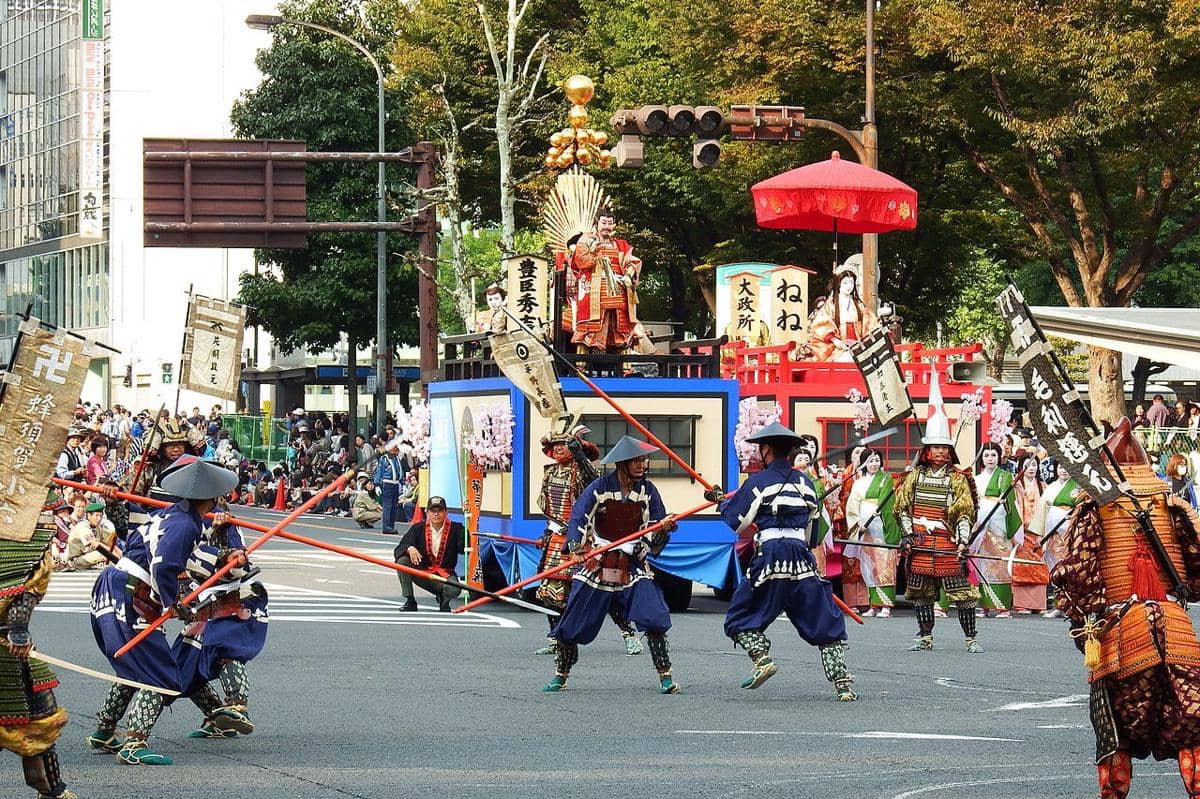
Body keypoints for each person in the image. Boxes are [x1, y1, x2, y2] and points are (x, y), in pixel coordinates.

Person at [1050, 417, 1200, 799]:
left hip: (1121, 632)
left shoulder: (1094, 507)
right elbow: (1197, 574)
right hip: (1176, 624)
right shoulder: (1173, 504)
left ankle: (1114, 794)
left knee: (1113, 725)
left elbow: (1078, 575)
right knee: (1192, 721)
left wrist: (1082, 622)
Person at [87, 457, 241, 766]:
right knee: (159, 674)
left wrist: (226, 556)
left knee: (136, 666)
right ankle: (134, 743)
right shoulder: (185, 524)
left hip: (115, 586)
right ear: (212, 497)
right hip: (133, 593)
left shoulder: (169, 515)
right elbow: (165, 565)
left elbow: (194, 556)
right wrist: (174, 602)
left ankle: (104, 731)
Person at [716, 423, 857, 700]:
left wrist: (720, 501)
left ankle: (762, 658)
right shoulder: (806, 483)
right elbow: (814, 532)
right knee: (822, 616)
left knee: (740, 615)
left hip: (770, 556)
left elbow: (737, 520)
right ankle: (842, 683)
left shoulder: (757, 482)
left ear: (766, 449)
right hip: (801, 557)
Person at [543, 436, 680, 694]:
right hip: (600, 560)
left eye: (643, 460)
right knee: (572, 621)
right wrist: (575, 548)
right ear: (622, 464)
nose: (642, 465)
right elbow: (579, 518)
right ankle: (561, 674)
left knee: (654, 615)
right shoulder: (598, 488)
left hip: (632, 562)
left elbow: (655, 526)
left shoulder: (648, 491)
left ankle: (665, 676)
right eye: (636, 460)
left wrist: (663, 528)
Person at [533, 425, 645, 657]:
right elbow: (550, 507)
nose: (558, 449)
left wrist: (580, 455)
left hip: (587, 538)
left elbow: (594, 480)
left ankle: (628, 634)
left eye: (564, 445)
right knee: (551, 592)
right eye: (555, 446)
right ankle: (556, 638)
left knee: (608, 587)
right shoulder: (549, 472)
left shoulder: (581, 471)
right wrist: (547, 531)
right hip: (557, 538)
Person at [894, 370, 982, 653]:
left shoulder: (957, 478)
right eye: (935, 448)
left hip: (946, 543)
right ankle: (925, 637)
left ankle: (970, 638)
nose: (941, 452)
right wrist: (907, 534)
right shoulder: (913, 477)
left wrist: (963, 541)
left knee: (963, 595)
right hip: (920, 543)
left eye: (945, 448)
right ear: (927, 450)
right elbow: (903, 508)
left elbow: (964, 512)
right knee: (921, 595)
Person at [0, 496, 78, 799]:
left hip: (9, 643)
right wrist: (18, 631)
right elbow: (25, 594)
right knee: (38, 719)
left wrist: (17, 631)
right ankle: (53, 792)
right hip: (10, 650)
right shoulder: (30, 554)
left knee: (38, 723)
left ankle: (52, 790)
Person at [172, 501, 267, 740]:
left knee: (224, 646)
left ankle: (237, 705)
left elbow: (237, 565)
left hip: (236, 596)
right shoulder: (176, 524)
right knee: (184, 666)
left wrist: (219, 533)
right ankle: (217, 716)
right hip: (202, 603)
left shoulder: (224, 522)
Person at [568, 207, 644, 353]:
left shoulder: (620, 245)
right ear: (597, 223)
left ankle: (625, 367)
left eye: (610, 223)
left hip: (618, 287)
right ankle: (581, 364)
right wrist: (596, 252)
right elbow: (580, 261)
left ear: (614, 225)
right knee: (590, 324)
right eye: (604, 223)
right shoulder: (587, 240)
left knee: (621, 324)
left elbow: (631, 261)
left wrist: (629, 274)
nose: (607, 227)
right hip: (594, 289)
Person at [845, 447, 901, 618]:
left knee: (884, 564)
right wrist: (857, 523)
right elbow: (852, 506)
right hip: (865, 527)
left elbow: (889, 503)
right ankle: (873, 605)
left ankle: (886, 605)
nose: (874, 464)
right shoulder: (858, 483)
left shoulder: (886, 479)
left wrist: (880, 514)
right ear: (864, 463)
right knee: (868, 565)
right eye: (870, 461)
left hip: (881, 525)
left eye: (877, 460)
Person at [971, 442, 1021, 617]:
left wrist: (1003, 502)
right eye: (986, 455)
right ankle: (985, 605)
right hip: (982, 523)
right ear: (982, 459)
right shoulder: (976, 479)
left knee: (1000, 564)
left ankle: (1003, 607)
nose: (990, 459)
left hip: (999, 522)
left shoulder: (1005, 476)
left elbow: (1012, 501)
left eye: (993, 455)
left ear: (999, 457)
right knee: (983, 564)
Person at [393, 497, 464, 612]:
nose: (436, 514)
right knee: (402, 562)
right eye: (433, 511)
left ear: (446, 512)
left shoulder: (456, 528)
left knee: (454, 589)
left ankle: (444, 601)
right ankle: (410, 600)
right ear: (427, 512)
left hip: (444, 574)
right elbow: (400, 548)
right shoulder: (418, 528)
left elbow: (463, 548)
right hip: (423, 572)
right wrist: (409, 548)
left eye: (440, 511)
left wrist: (467, 527)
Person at [807, 256, 879, 362]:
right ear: (839, 284)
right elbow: (821, 325)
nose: (848, 286)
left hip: (858, 344)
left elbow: (871, 324)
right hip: (837, 347)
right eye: (845, 283)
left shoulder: (859, 306)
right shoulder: (830, 305)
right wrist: (835, 340)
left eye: (851, 283)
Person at [1011, 453, 1049, 614]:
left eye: (1034, 465)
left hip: (1038, 532)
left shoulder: (1043, 486)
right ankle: (1021, 604)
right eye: (1028, 465)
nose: (1031, 468)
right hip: (1022, 531)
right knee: (1021, 567)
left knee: (1039, 567)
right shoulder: (1016, 485)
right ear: (1021, 468)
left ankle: (1038, 604)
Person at [67, 501, 113, 570]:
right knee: (103, 554)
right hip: (76, 560)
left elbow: (108, 542)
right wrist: (112, 552)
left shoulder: (98, 527)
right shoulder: (83, 527)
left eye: (101, 516)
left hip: (87, 557)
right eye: (96, 515)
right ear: (88, 516)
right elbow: (94, 544)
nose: (99, 518)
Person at [373, 440, 404, 534]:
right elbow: (379, 471)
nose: (395, 448)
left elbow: (400, 471)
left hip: (396, 484)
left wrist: (401, 483)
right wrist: (377, 484)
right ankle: (386, 527)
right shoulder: (384, 459)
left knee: (394, 507)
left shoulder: (397, 459)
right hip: (387, 484)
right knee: (388, 507)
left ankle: (391, 526)